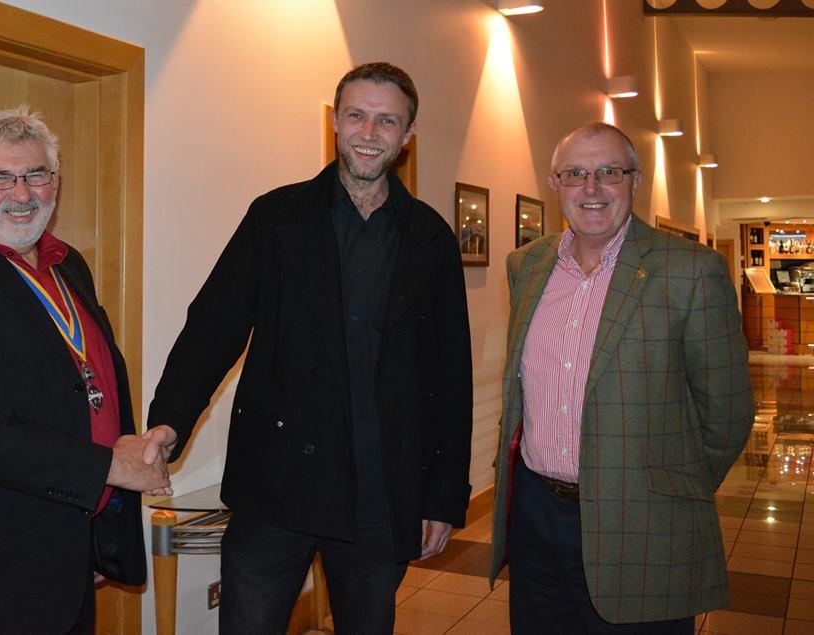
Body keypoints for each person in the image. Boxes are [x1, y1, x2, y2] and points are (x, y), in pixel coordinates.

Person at [145, 62, 473, 633]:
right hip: (276, 488)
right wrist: (169, 422)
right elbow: (214, 325)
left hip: (380, 493)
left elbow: (450, 378)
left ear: (407, 136)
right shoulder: (275, 216)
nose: (369, 133)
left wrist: (444, 496)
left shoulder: (430, 238)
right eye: (357, 116)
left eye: (387, 121)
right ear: (336, 123)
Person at [0, 106, 175, 634]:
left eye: (36, 174)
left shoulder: (70, 265)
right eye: (0, 177)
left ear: (55, 183)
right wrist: (110, 468)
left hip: (69, 546)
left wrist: (95, 532)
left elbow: (85, 388)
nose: (21, 194)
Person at [491, 121, 754, 633]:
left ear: (635, 180)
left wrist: (672, 490)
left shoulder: (691, 271)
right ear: (554, 184)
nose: (591, 189)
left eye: (609, 171)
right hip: (535, 516)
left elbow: (727, 411)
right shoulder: (527, 265)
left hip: (642, 524)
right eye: (575, 174)